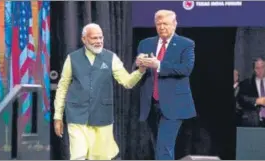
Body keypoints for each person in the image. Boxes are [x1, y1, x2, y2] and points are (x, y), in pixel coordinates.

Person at [53, 23, 146, 160]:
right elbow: (63, 87)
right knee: (78, 155)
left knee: (101, 157)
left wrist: (141, 71)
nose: (98, 41)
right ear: (84, 39)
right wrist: (58, 116)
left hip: (102, 115)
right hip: (77, 115)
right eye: (94, 38)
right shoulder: (72, 58)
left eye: (100, 38)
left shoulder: (111, 58)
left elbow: (127, 82)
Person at [135, 10, 197, 160]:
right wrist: (139, 65)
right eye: (159, 24)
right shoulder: (145, 43)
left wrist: (159, 65)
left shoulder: (186, 44)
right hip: (150, 104)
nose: (162, 27)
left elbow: (186, 69)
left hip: (174, 104)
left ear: (174, 24)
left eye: (165, 24)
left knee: (164, 146)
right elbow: (137, 71)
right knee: (157, 146)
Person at [238, 58, 265, 127]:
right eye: (257, 68)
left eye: (263, 67)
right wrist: (256, 101)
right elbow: (241, 99)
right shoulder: (246, 83)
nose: (260, 70)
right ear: (254, 69)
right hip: (253, 122)